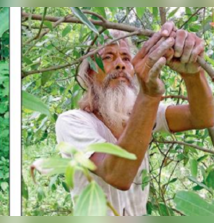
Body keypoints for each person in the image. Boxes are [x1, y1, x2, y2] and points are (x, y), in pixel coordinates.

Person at [54, 22, 214, 215]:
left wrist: (193, 75)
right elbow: (118, 174)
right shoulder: (72, 122)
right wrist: (149, 96)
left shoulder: (138, 114)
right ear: (89, 73)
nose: (120, 64)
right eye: (108, 57)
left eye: (126, 58)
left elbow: (202, 117)